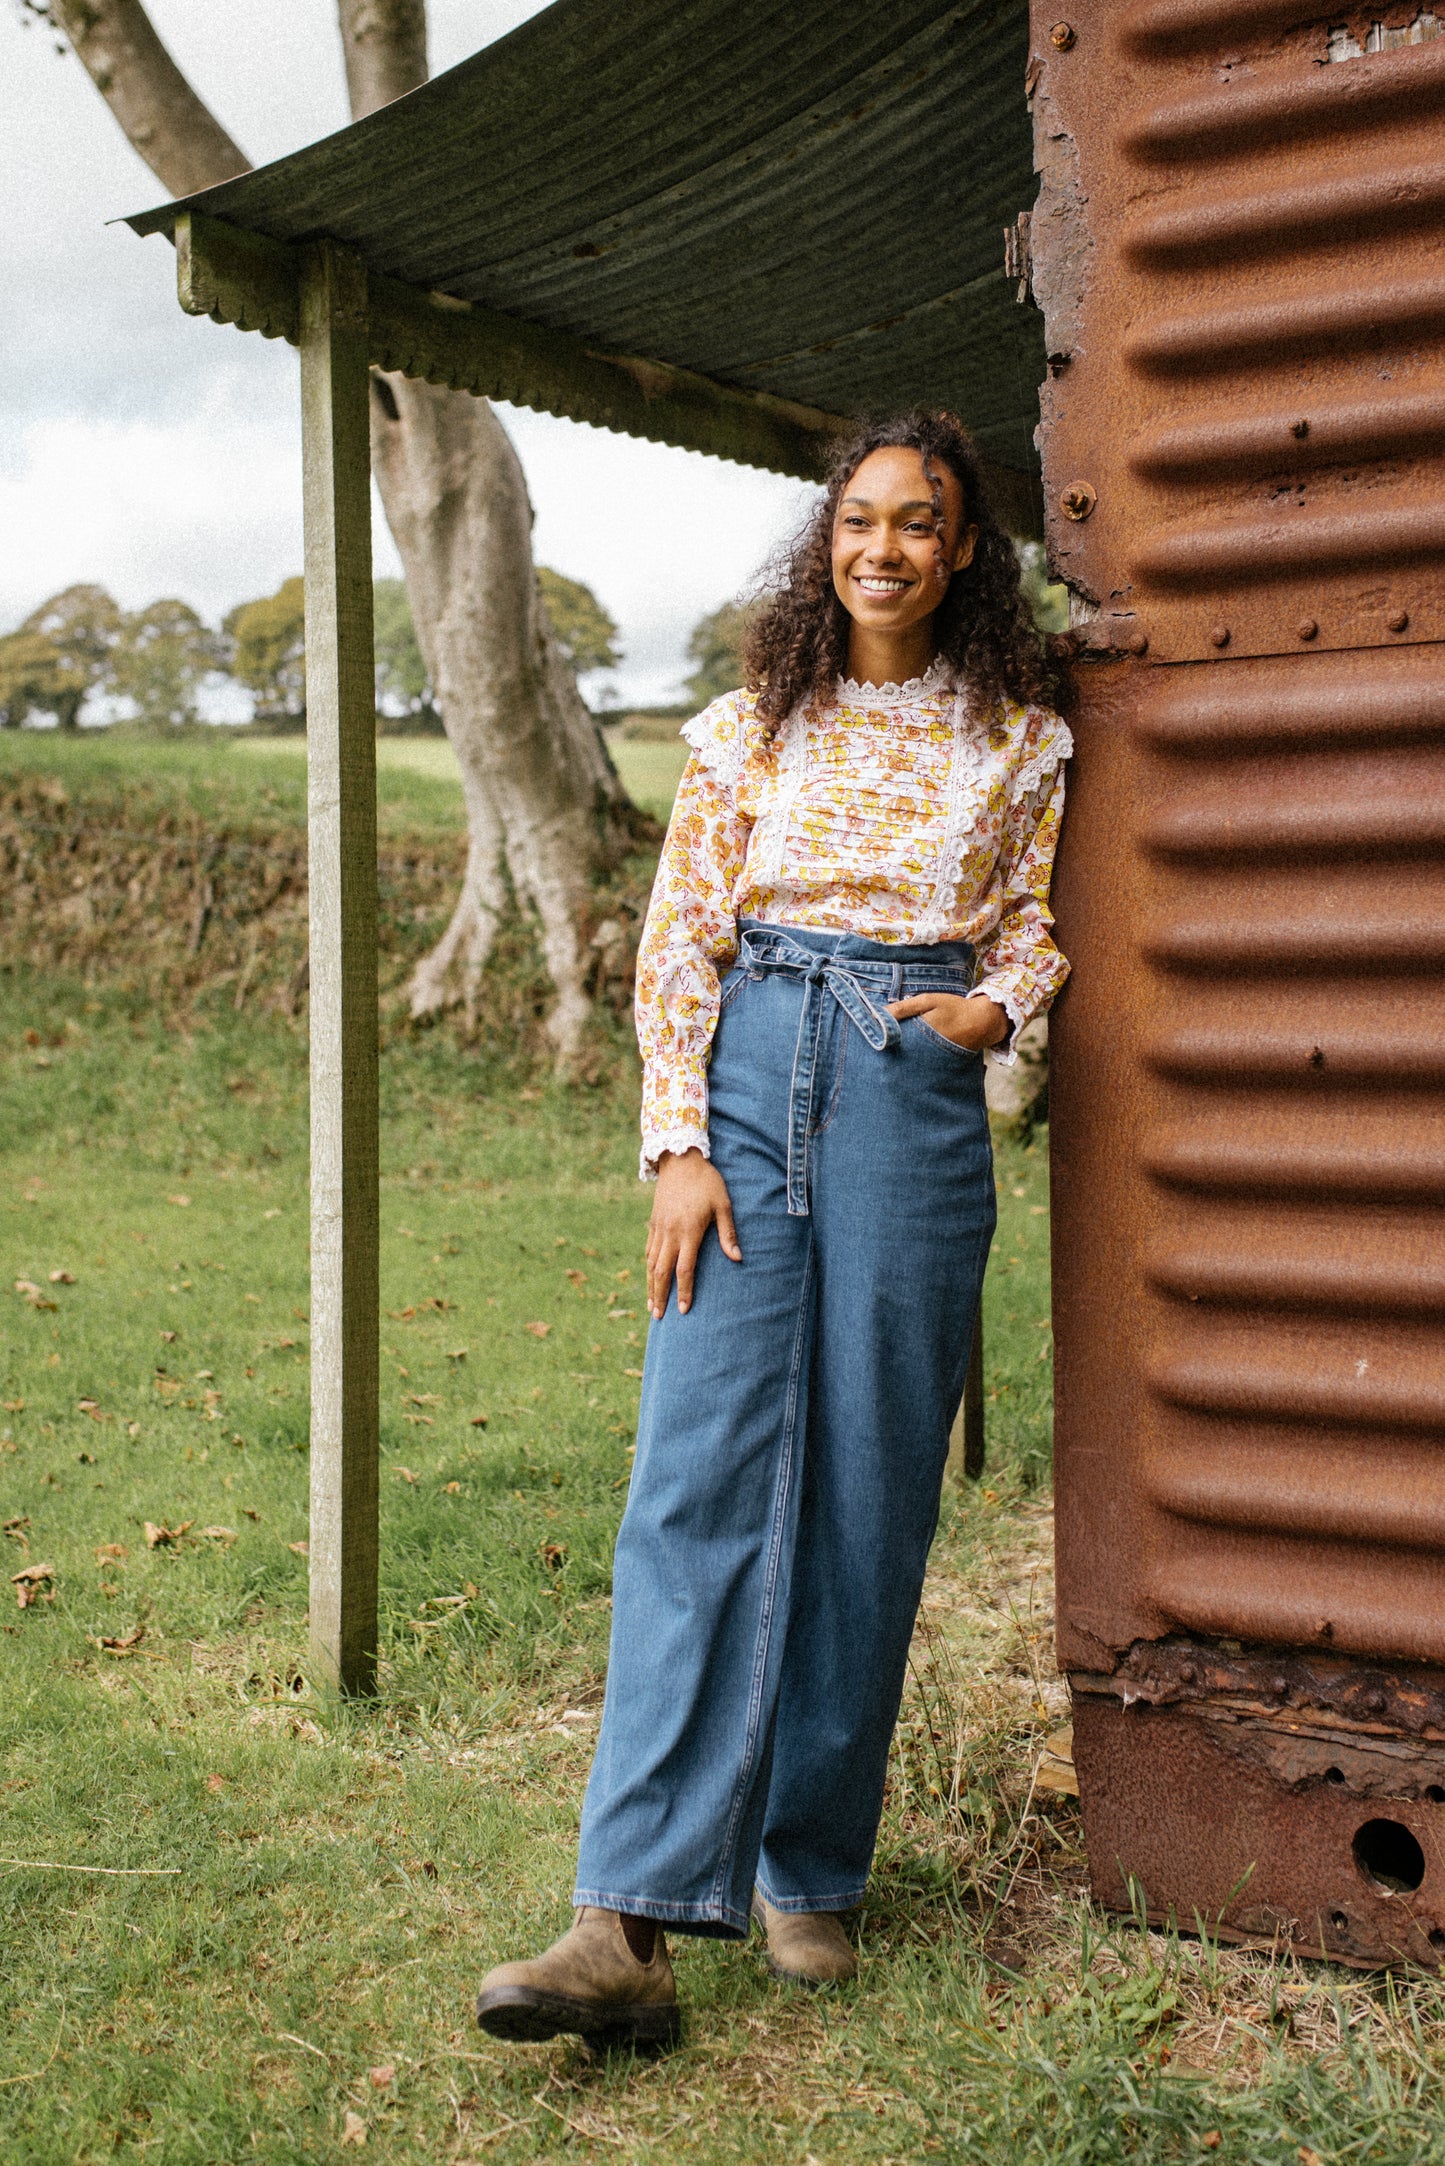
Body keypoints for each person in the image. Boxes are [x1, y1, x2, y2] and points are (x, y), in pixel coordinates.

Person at [476, 412, 1072, 2049]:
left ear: (962, 550)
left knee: (873, 1487)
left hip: (908, 1087)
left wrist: (997, 1005)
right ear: (828, 541)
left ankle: (808, 1865)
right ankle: (627, 1916)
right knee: (695, 1474)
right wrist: (679, 1142)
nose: (881, 545)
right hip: (752, 1066)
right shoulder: (751, 722)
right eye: (857, 518)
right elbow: (679, 937)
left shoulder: (1018, 736)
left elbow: (1033, 916)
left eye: (917, 521)